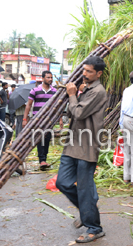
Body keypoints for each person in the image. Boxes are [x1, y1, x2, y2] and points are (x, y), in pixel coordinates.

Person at [56, 56, 107, 244]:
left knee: (85, 190)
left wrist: (71, 95)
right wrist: (75, 94)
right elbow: (71, 113)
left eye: (89, 72)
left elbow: (78, 112)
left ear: (98, 74)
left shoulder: (98, 91)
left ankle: (94, 227)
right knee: (63, 183)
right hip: (72, 144)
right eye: (84, 70)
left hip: (87, 146)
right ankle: (87, 211)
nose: (84, 74)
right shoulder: (84, 89)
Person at [23, 71, 57, 170]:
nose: (50, 79)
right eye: (48, 77)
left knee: (47, 139)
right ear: (42, 79)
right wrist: (25, 119)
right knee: (39, 139)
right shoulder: (35, 90)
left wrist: (59, 120)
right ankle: (42, 160)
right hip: (37, 119)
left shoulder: (54, 91)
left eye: (51, 78)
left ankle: (44, 159)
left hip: (49, 120)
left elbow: (56, 106)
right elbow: (28, 105)